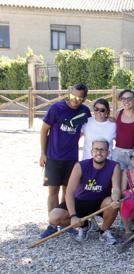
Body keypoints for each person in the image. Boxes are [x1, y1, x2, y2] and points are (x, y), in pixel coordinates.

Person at [39, 83, 92, 238]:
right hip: (53, 156)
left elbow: (91, 125)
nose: (75, 100)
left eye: (79, 98)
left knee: (67, 190)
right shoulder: (56, 108)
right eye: (73, 96)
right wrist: (43, 153)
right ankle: (51, 224)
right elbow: (43, 130)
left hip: (71, 158)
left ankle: (65, 222)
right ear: (69, 93)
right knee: (53, 190)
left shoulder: (84, 111)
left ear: (84, 98)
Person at [45, 139, 121, 245]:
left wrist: (116, 199)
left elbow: (116, 188)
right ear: (91, 152)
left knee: (111, 203)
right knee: (54, 217)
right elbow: (69, 192)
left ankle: (103, 231)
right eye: (96, 149)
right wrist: (73, 216)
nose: (99, 152)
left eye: (102, 150)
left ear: (108, 153)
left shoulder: (114, 166)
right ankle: (85, 225)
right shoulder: (80, 166)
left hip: (101, 202)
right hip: (80, 201)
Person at [112, 89, 134, 170]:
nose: (126, 101)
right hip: (118, 153)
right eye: (123, 99)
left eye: (129, 99)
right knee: (119, 179)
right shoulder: (117, 114)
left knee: (133, 180)